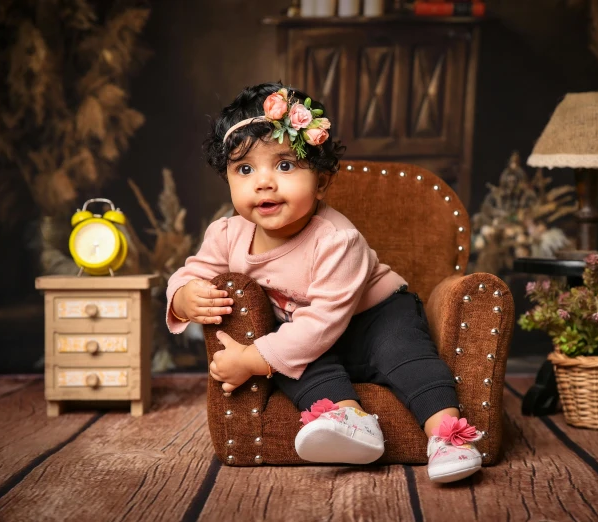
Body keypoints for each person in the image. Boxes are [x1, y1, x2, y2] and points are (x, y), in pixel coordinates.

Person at [166, 82, 482, 483]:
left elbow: (324, 323)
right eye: (245, 169)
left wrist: (250, 358)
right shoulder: (226, 234)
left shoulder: (336, 238)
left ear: (322, 180)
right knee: (287, 360)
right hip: (306, 331)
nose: (263, 182)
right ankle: (347, 419)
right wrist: (183, 296)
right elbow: (191, 271)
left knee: (406, 358)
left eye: (284, 165)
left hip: (376, 319)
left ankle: (448, 435)